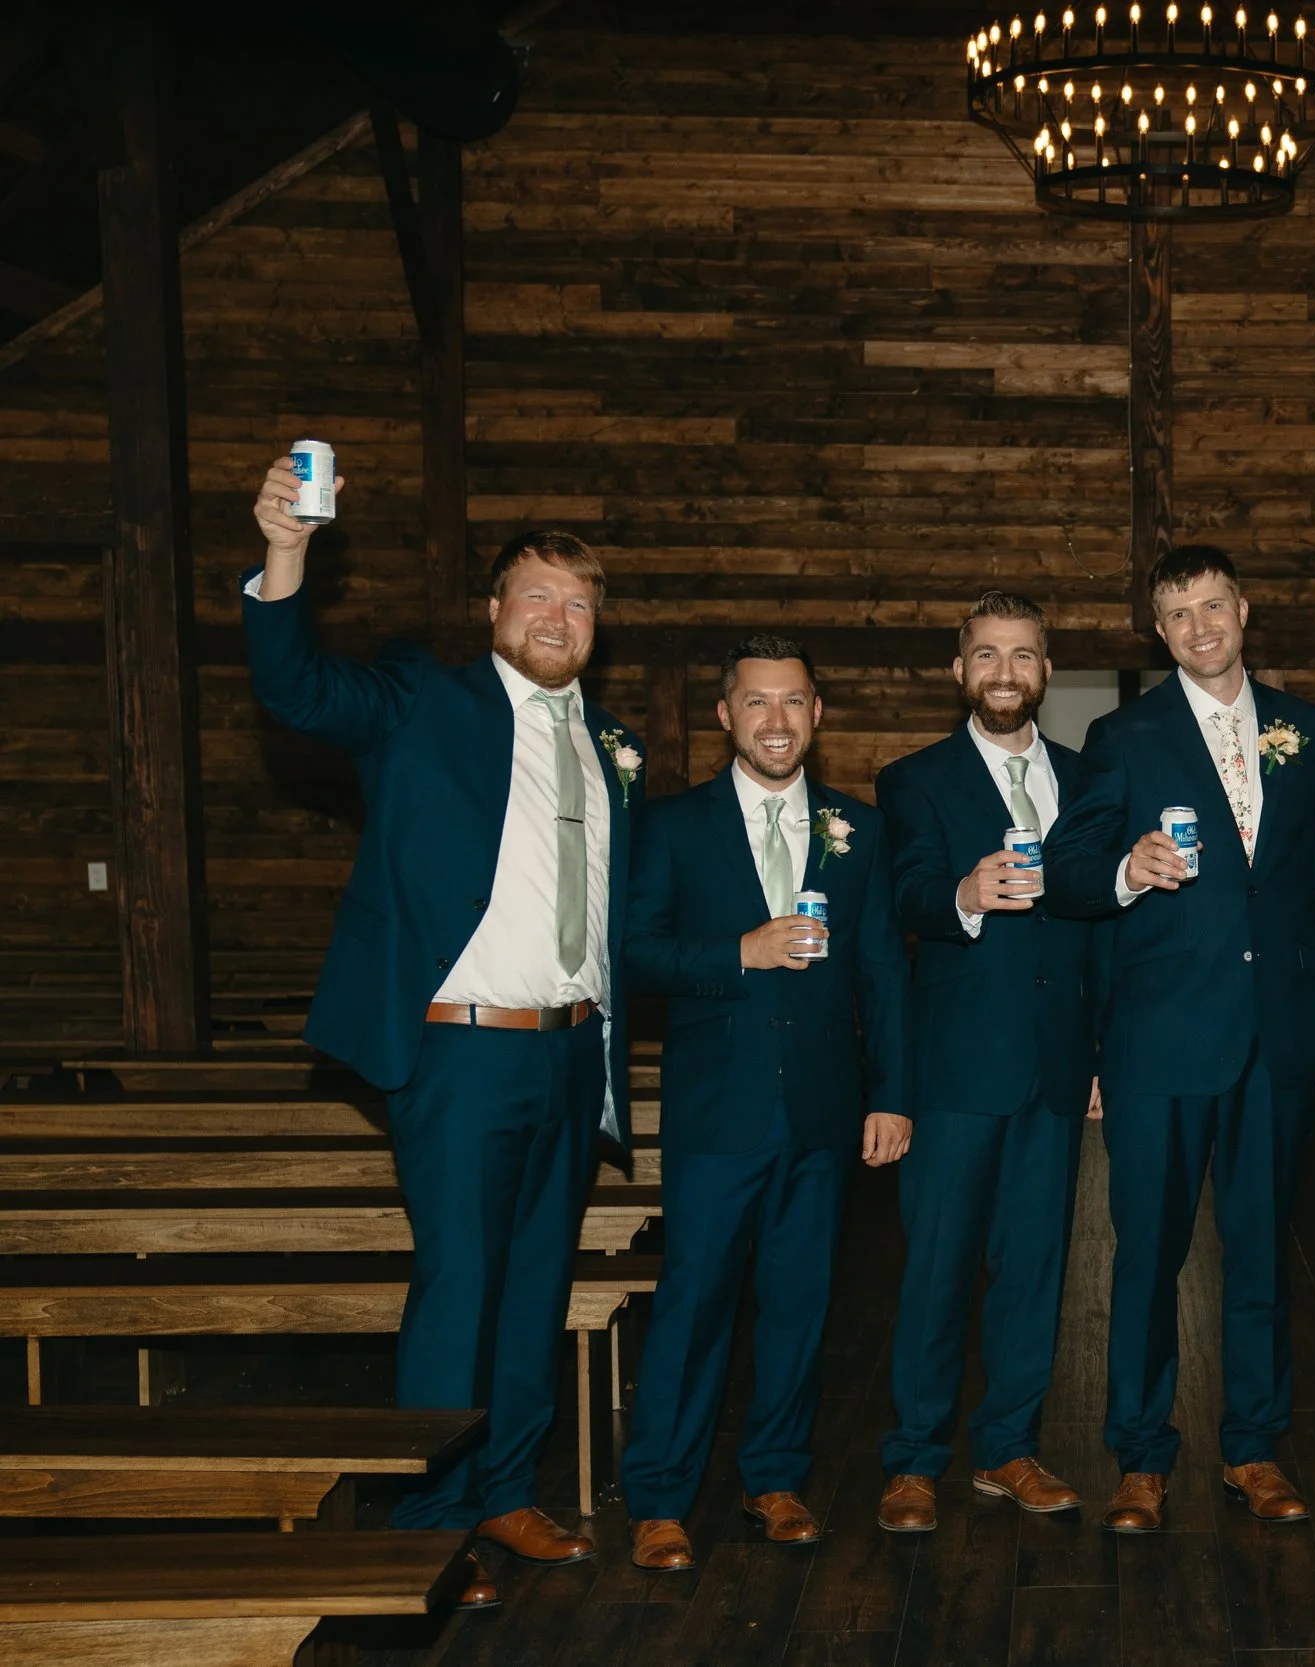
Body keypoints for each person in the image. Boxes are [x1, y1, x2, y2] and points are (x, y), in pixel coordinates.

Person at [243, 457, 636, 1608]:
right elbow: (300, 690)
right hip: (462, 1048)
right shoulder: (422, 699)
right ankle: (429, 1517)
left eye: (576, 601)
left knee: (533, 1289)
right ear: (496, 611)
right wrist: (285, 552)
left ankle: (504, 1489)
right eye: (534, 595)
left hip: (571, 1048)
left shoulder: (613, 744)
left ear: (594, 625)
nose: (555, 617)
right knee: (459, 1284)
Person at [1042, 545, 1315, 1534]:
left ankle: (1255, 1448)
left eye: (1210, 606)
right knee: (1147, 1251)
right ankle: (1141, 1454)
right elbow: (1069, 865)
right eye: (1175, 614)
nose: (1197, 627)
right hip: (1161, 1036)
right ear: (1158, 628)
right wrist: (1128, 868)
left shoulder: (1306, 730)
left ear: (1243, 608)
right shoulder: (1122, 734)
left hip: (1279, 1038)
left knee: (1265, 1252)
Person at [618, 633, 909, 1571]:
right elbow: (633, 952)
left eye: (793, 703)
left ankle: (776, 1478)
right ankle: (661, 1496)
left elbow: (883, 973)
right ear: (725, 715)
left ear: (817, 714)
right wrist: (732, 953)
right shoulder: (670, 826)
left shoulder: (857, 830)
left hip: (824, 1114)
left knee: (800, 1305)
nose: (776, 721)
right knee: (694, 1304)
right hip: (717, 1113)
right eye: (757, 703)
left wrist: (890, 1092)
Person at [871, 592, 1100, 1533]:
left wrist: (1098, 1055)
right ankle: (915, 1459)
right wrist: (964, 892)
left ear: (1047, 671)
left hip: (1054, 1069)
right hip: (957, 1069)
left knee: (1037, 1268)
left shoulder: (1092, 779)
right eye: (988, 655)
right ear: (959, 670)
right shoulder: (913, 780)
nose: (1006, 671)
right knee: (936, 1268)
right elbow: (908, 891)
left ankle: (1008, 1445)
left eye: (1024, 655)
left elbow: (1102, 930)